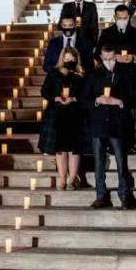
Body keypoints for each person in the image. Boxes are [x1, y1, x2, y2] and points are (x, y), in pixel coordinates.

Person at [81, 45, 136, 210]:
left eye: (111, 58)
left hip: (118, 124)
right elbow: (84, 100)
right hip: (98, 124)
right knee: (99, 163)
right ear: (101, 58)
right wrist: (97, 101)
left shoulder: (125, 74)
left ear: (116, 56)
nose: (108, 62)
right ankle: (101, 195)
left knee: (121, 161)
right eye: (105, 59)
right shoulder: (93, 75)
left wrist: (120, 102)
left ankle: (125, 195)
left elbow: (135, 97)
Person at [38, 47, 85, 190]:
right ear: (62, 58)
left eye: (71, 58)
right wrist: (56, 98)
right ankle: (62, 179)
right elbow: (44, 91)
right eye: (66, 58)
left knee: (74, 150)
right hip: (57, 114)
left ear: (76, 59)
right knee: (60, 150)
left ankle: (72, 180)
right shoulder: (54, 73)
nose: (68, 61)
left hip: (75, 114)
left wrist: (75, 98)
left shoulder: (81, 75)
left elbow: (87, 93)